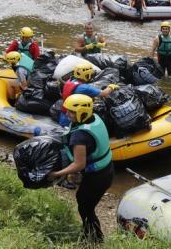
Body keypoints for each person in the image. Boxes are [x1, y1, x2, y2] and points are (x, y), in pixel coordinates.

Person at [47, 94, 114, 243]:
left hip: (98, 176)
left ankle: (95, 239)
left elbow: (79, 164)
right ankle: (89, 233)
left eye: (71, 112)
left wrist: (57, 174)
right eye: (68, 111)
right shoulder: (95, 118)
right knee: (83, 201)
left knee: (85, 206)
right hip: (107, 169)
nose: (67, 114)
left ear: (82, 112)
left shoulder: (80, 136)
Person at [59, 63, 119, 127]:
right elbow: (103, 93)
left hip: (64, 115)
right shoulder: (85, 88)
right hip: (73, 119)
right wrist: (111, 87)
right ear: (87, 75)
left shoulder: (69, 81)